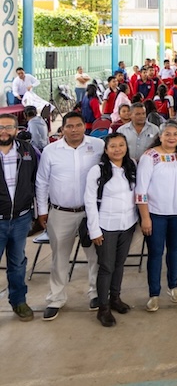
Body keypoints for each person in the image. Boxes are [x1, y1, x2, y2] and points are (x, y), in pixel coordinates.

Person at [36, 112, 105, 321]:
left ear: (85, 126)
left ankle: (95, 293)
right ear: (62, 129)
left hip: (90, 212)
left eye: (78, 125)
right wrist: (42, 210)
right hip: (61, 212)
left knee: (95, 255)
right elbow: (42, 182)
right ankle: (56, 298)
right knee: (59, 258)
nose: (74, 130)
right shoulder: (51, 151)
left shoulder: (98, 146)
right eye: (69, 126)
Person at [136, 121, 177, 312]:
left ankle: (173, 286)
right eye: (167, 134)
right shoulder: (150, 157)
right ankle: (154, 294)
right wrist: (145, 217)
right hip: (156, 214)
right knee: (155, 253)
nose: (171, 138)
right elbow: (141, 190)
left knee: (175, 251)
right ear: (159, 136)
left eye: (175, 134)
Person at [84, 133, 138, 327]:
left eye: (121, 145)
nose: (118, 149)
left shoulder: (131, 166)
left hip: (128, 224)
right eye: (113, 146)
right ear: (106, 150)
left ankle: (115, 298)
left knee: (120, 263)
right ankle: (103, 308)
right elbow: (89, 201)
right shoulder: (97, 171)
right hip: (106, 226)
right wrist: (94, 230)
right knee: (106, 266)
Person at [0, 113, 39, 322]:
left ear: (16, 129)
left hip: (21, 219)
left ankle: (19, 301)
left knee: (17, 264)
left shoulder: (27, 151)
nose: (4, 131)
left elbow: (37, 179)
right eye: (0, 127)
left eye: (8, 127)